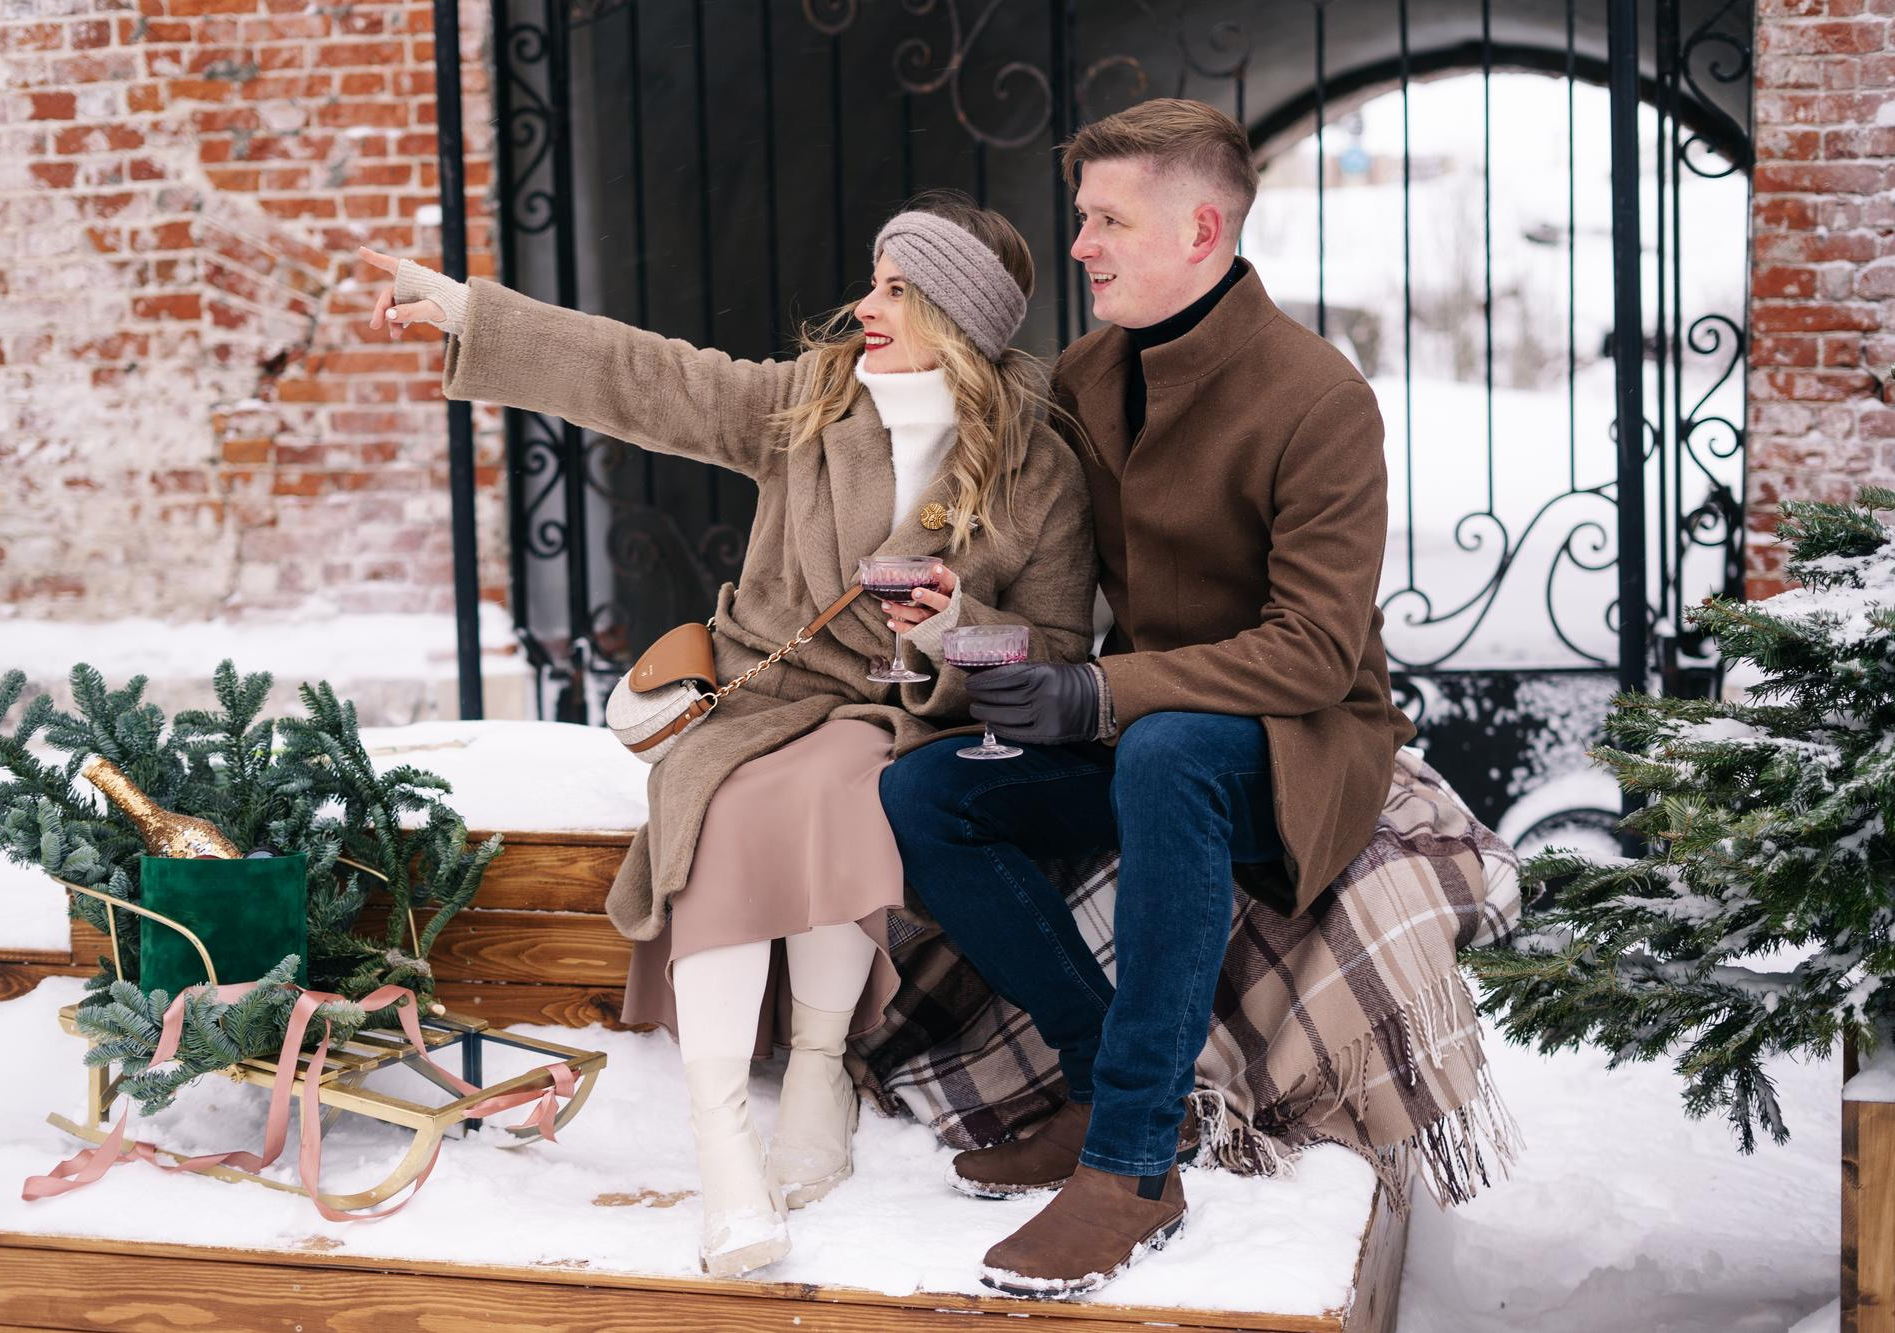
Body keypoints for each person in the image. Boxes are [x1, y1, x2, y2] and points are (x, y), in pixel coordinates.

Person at [359, 190, 1094, 1278]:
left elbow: (1057, 645)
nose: (865, 306)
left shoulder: (1038, 466)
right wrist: (473, 312)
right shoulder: (812, 399)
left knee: (844, 786)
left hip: (894, 712)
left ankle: (819, 1069)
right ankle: (725, 1150)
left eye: (896, 289)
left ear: (957, 313)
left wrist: (952, 626)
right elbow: (646, 376)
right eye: (874, 281)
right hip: (765, 694)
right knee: (730, 801)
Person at [879, 99, 1417, 1297]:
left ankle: (1130, 1166)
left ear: (1200, 229)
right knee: (928, 791)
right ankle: (1092, 1082)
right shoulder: (1082, 375)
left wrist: (1098, 692)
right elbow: (1036, 563)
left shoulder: (1318, 398)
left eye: (1106, 221)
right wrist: (974, 637)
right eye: (1082, 218)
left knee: (1169, 749)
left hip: (1291, 742)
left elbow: (1312, 652)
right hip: (1137, 725)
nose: (1078, 244)